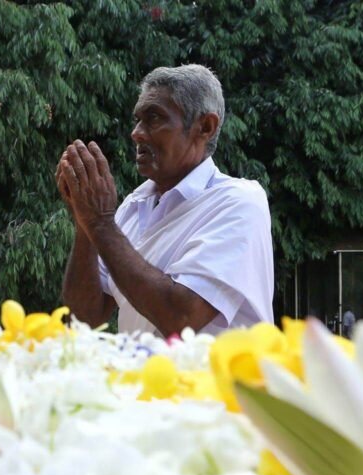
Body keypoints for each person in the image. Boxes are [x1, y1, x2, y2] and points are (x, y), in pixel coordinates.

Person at [57, 64, 273, 336]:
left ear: (205, 126)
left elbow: (181, 318)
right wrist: (84, 221)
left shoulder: (239, 202)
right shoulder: (133, 207)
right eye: (138, 120)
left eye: (154, 118)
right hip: (141, 380)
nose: (136, 133)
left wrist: (99, 223)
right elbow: (82, 321)